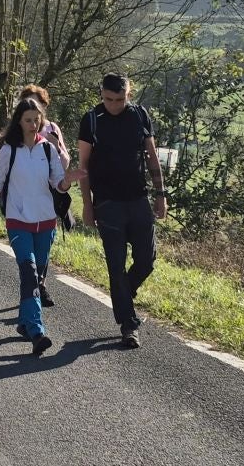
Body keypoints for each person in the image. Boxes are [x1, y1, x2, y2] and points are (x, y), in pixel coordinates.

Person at [0, 93, 77, 357]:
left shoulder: (48, 149)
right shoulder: (9, 150)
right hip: (17, 221)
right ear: (19, 122)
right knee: (29, 273)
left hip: (46, 222)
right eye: (28, 120)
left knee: (38, 275)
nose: (33, 124)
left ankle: (24, 322)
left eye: (37, 120)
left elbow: (58, 183)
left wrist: (69, 180)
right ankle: (36, 331)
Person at [77, 73, 166, 349]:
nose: (114, 105)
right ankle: (128, 325)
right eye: (108, 99)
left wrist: (160, 195)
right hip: (107, 203)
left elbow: (151, 155)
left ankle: (123, 294)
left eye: (120, 99)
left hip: (138, 200)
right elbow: (83, 166)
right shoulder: (91, 120)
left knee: (147, 260)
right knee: (115, 266)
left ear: (129, 93)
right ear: (101, 94)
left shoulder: (139, 115)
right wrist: (88, 206)